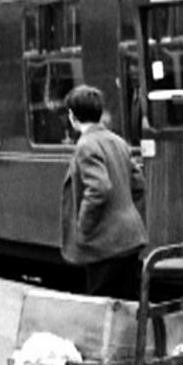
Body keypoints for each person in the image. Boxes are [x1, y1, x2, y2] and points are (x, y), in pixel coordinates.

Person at [60, 85, 147, 299]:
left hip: (105, 243)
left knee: (102, 308)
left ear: (72, 116)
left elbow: (99, 188)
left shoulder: (86, 145)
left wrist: (84, 227)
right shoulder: (117, 141)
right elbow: (138, 184)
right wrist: (123, 211)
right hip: (130, 238)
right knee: (127, 305)